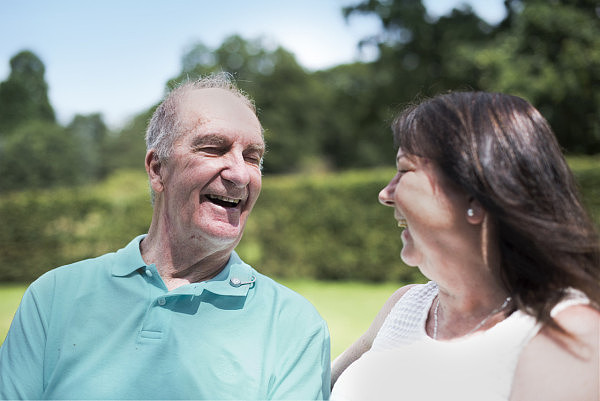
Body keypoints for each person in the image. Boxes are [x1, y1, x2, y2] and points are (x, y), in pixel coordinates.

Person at [0, 73, 331, 400]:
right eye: (214, 148)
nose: (240, 174)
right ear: (157, 168)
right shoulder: (53, 297)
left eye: (252, 157)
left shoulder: (295, 327)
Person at [330, 91, 599, 401]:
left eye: (404, 170)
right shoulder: (404, 307)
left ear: (476, 194)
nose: (386, 193)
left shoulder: (566, 333)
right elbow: (311, 389)